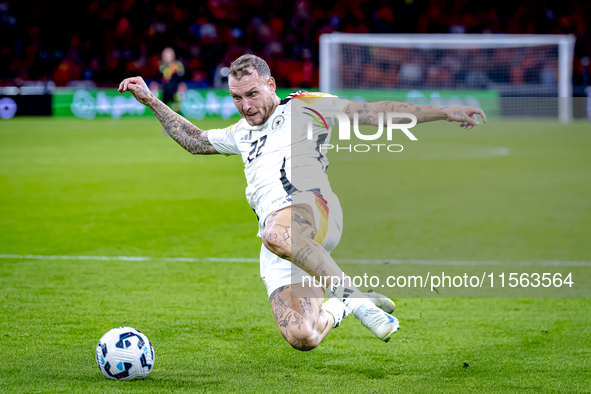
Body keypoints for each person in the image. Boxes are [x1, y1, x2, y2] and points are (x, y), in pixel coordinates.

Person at [118, 54, 486, 351]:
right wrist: (151, 100)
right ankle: (344, 303)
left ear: (270, 85)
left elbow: (373, 113)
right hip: (280, 240)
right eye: (236, 97)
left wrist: (443, 112)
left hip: (315, 211)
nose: (245, 105)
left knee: (275, 234)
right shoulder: (240, 133)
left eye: (252, 94)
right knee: (303, 336)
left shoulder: (305, 106)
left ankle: (352, 297)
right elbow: (194, 139)